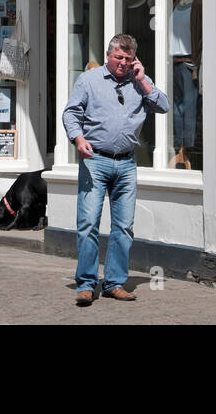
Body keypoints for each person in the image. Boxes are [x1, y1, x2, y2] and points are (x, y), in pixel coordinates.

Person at [62, 33, 169, 306]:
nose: (123, 63)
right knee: (88, 224)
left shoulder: (139, 82)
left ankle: (114, 283)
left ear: (135, 59)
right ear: (108, 55)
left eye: (128, 58)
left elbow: (163, 105)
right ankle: (86, 284)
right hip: (95, 160)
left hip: (126, 162)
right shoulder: (89, 80)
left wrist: (143, 79)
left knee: (124, 227)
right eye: (118, 57)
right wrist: (78, 138)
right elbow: (71, 113)